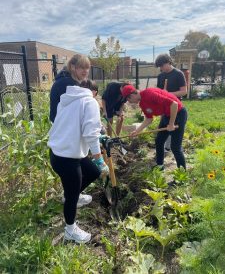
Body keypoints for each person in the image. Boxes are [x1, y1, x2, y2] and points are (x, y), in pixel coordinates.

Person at [48, 80, 109, 243]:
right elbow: (90, 133)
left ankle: (70, 195)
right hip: (67, 157)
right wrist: (99, 158)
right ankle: (70, 230)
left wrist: (98, 134)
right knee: (74, 192)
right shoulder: (90, 102)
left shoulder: (68, 100)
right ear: (93, 91)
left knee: (92, 172)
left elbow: (76, 126)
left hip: (60, 152)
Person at [121, 84, 187, 170]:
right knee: (159, 141)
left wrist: (171, 124)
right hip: (166, 115)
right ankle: (160, 166)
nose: (129, 102)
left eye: (128, 99)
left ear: (132, 94)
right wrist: (137, 131)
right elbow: (149, 119)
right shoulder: (142, 103)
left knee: (175, 147)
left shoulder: (150, 93)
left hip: (178, 114)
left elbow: (174, 104)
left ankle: (182, 174)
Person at [155, 54, 187, 152]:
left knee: (175, 129)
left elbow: (184, 91)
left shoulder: (178, 74)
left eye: (162, 65)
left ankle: (175, 148)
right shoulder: (161, 76)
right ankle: (165, 148)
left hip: (176, 107)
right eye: (159, 66)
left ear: (169, 62)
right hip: (165, 108)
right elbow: (159, 91)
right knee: (165, 127)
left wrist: (168, 94)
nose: (161, 68)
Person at [50, 54, 90, 123]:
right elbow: (75, 110)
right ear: (72, 67)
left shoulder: (68, 80)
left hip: (63, 123)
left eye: (87, 68)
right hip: (63, 125)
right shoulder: (67, 84)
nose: (85, 70)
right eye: (82, 67)